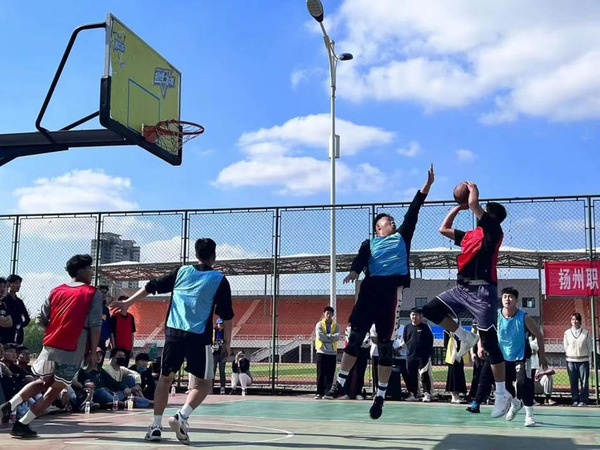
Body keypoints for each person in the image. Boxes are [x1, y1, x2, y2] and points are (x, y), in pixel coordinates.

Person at [326, 165, 435, 421]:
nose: (393, 222)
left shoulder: (402, 237)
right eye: (388, 221)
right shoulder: (370, 243)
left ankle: (380, 396)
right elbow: (360, 258)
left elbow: (413, 211)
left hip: (390, 294)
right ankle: (340, 383)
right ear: (378, 228)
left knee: (385, 347)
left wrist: (427, 187)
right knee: (354, 339)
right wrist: (354, 271)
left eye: (393, 221)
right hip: (370, 291)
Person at [114, 238, 233, 445]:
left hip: (174, 334)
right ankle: (182, 416)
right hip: (199, 337)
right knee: (205, 383)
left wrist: (128, 303)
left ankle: (156, 426)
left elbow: (152, 285)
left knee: (164, 379)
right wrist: (227, 343)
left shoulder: (182, 271)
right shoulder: (219, 280)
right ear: (214, 256)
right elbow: (227, 316)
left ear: (196, 254)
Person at [421, 181, 512, 418]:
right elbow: (443, 229)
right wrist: (458, 207)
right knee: (430, 310)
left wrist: (472, 193)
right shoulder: (471, 236)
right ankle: (464, 336)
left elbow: (473, 204)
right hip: (461, 289)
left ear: (490, 216)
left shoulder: (494, 231)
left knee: (490, 345)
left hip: (483, 292)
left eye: (483, 210)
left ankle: (501, 394)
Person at [0, 254, 103, 438]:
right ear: (80, 271)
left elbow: (41, 318)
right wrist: (93, 352)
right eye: (89, 269)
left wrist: (57, 328)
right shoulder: (92, 293)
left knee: (43, 381)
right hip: (73, 348)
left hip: (50, 344)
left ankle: (9, 405)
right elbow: (95, 325)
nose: (91, 272)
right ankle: (22, 424)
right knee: (55, 390)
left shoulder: (56, 290)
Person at [497, 287, 548, 426]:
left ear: (516, 300)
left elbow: (539, 335)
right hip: (503, 356)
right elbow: (485, 332)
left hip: (521, 356)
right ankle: (515, 403)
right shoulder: (496, 316)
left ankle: (529, 415)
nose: (507, 299)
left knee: (523, 383)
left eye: (510, 297)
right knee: (504, 385)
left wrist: (542, 356)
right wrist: (481, 347)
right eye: (505, 296)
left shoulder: (524, 317)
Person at [403, 308, 434, 402]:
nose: (414, 317)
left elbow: (430, 341)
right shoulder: (407, 327)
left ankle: (427, 394)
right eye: (412, 315)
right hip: (410, 356)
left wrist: (427, 354)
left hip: (422, 357)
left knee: (424, 375)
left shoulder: (425, 328)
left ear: (421, 316)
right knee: (411, 376)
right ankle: (413, 394)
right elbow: (406, 340)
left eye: (416, 315)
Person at [563, 312, 593, 406]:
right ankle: (575, 399)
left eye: (576, 319)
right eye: (572, 319)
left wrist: (588, 358)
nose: (574, 321)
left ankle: (583, 400)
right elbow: (565, 346)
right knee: (573, 381)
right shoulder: (567, 333)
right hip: (571, 361)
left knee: (584, 382)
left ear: (580, 321)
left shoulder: (586, 333)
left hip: (583, 361)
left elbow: (590, 347)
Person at [314, 306, 340, 399]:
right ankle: (319, 393)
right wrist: (331, 337)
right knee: (321, 373)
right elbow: (320, 336)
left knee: (330, 373)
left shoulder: (336, 325)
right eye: (327, 313)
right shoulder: (319, 325)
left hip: (332, 352)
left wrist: (327, 337)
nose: (329, 315)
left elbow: (337, 336)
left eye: (330, 313)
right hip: (321, 351)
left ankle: (327, 393)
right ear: (324, 314)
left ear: (333, 315)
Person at [343, 325, 369, 400]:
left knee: (361, 372)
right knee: (349, 372)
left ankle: (358, 393)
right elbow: (348, 339)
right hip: (352, 350)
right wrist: (356, 343)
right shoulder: (349, 328)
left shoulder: (367, 328)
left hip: (363, 351)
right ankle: (346, 393)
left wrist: (359, 343)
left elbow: (367, 341)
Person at [2, 275, 30, 345]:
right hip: (5, 334)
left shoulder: (19, 302)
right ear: (8, 284)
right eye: (16, 283)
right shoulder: (4, 300)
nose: (18, 285)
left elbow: (27, 318)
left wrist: (20, 325)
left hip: (18, 334)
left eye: (19, 283)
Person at [529, 335, 556, 406]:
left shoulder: (542, 360)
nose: (533, 352)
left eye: (534, 350)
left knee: (549, 377)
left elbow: (552, 371)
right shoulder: (526, 361)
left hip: (539, 384)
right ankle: (529, 399)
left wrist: (542, 373)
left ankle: (548, 398)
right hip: (530, 384)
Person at [110, 296, 136, 362]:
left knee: (125, 366)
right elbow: (111, 333)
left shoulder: (131, 317)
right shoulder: (115, 316)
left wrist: (132, 348)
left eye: (127, 302)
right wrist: (113, 347)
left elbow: (132, 333)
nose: (125, 304)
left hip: (127, 348)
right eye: (123, 302)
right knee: (115, 365)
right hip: (118, 347)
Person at [444, 330, 467, 403]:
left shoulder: (460, 331)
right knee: (453, 375)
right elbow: (446, 345)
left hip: (459, 356)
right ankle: (453, 396)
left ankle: (457, 394)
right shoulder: (447, 331)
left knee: (459, 374)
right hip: (452, 357)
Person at [98, 285, 113, 363]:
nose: (104, 294)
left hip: (102, 339)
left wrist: (109, 339)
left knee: (100, 361)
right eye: (102, 292)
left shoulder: (105, 309)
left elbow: (107, 324)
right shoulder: (90, 306)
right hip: (90, 338)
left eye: (105, 293)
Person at [212, 318, 227, 394]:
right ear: (217, 324)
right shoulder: (214, 331)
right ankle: (211, 387)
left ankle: (222, 387)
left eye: (222, 324)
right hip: (214, 353)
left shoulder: (225, 332)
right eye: (220, 324)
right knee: (213, 370)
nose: (221, 325)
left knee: (222, 371)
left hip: (222, 354)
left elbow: (226, 342)